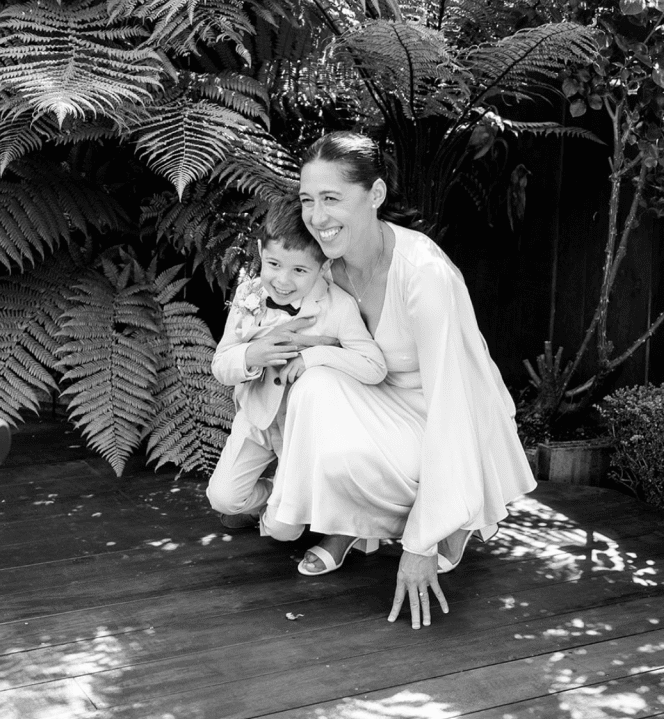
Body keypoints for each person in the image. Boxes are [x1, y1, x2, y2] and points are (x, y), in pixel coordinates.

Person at [262, 132, 537, 630]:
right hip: (377, 401)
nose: (317, 217)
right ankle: (351, 523)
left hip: (447, 418)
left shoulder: (424, 274)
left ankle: (442, 518)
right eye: (307, 200)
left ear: (375, 194)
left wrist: (421, 545)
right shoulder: (324, 265)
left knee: (339, 425)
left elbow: (453, 407)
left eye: (331, 199)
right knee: (312, 383)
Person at [207, 196, 387, 531]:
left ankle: (291, 507)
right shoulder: (248, 295)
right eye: (274, 264)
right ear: (260, 251)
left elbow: (374, 367)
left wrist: (314, 355)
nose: (283, 281)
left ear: (323, 267)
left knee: (283, 529)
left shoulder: (338, 307)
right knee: (223, 499)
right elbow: (220, 365)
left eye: (300, 270)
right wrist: (251, 354)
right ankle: (275, 494)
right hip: (257, 416)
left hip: (302, 430)